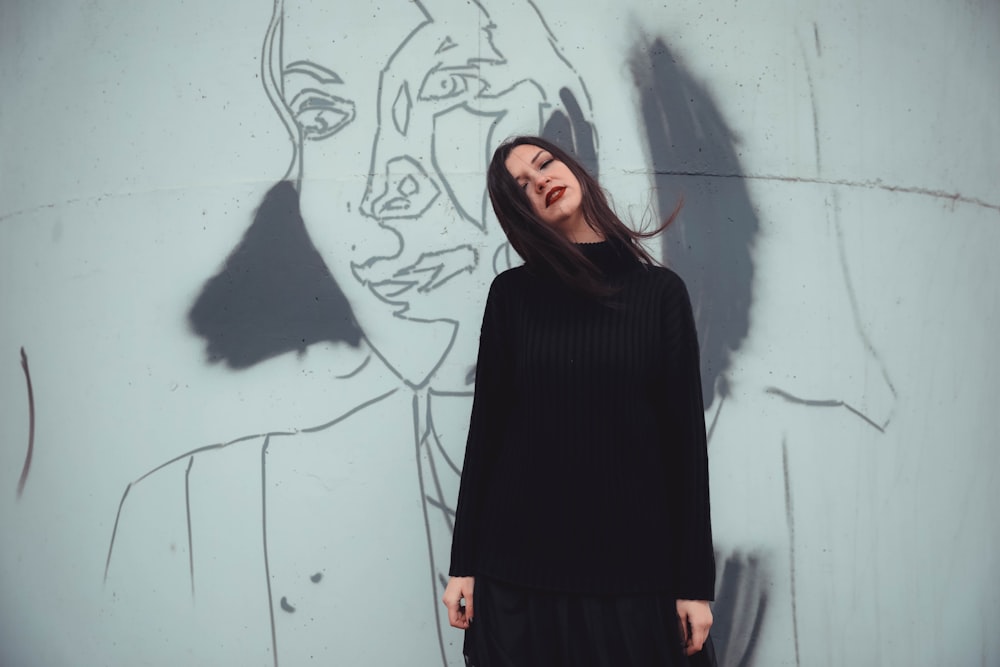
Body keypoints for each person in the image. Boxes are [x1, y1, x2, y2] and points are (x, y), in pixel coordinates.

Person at [441, 135, 716, 666]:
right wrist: (464, 566)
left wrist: (694, 585)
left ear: (575, 171)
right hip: (518, 581)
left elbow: (686, 449)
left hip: (637, 580)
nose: (539, 179)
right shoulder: (511, 297)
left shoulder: (661, 294)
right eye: (521, 185)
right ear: (519, 213)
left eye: (544, 164)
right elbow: (486, 438)